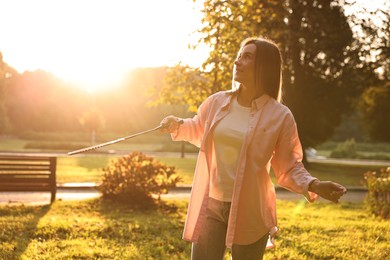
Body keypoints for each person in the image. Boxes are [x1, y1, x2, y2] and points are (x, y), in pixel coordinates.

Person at [160, 37, 347, 260]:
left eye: (247, 57)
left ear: (264, 67)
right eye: (239, 56)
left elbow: (288, 166)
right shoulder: (217, 102)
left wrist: (313, 184)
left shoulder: (280, 116)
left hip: (250, 212)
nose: (238, 62)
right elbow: (199, 128)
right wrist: (178, 124)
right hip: (211, 206)